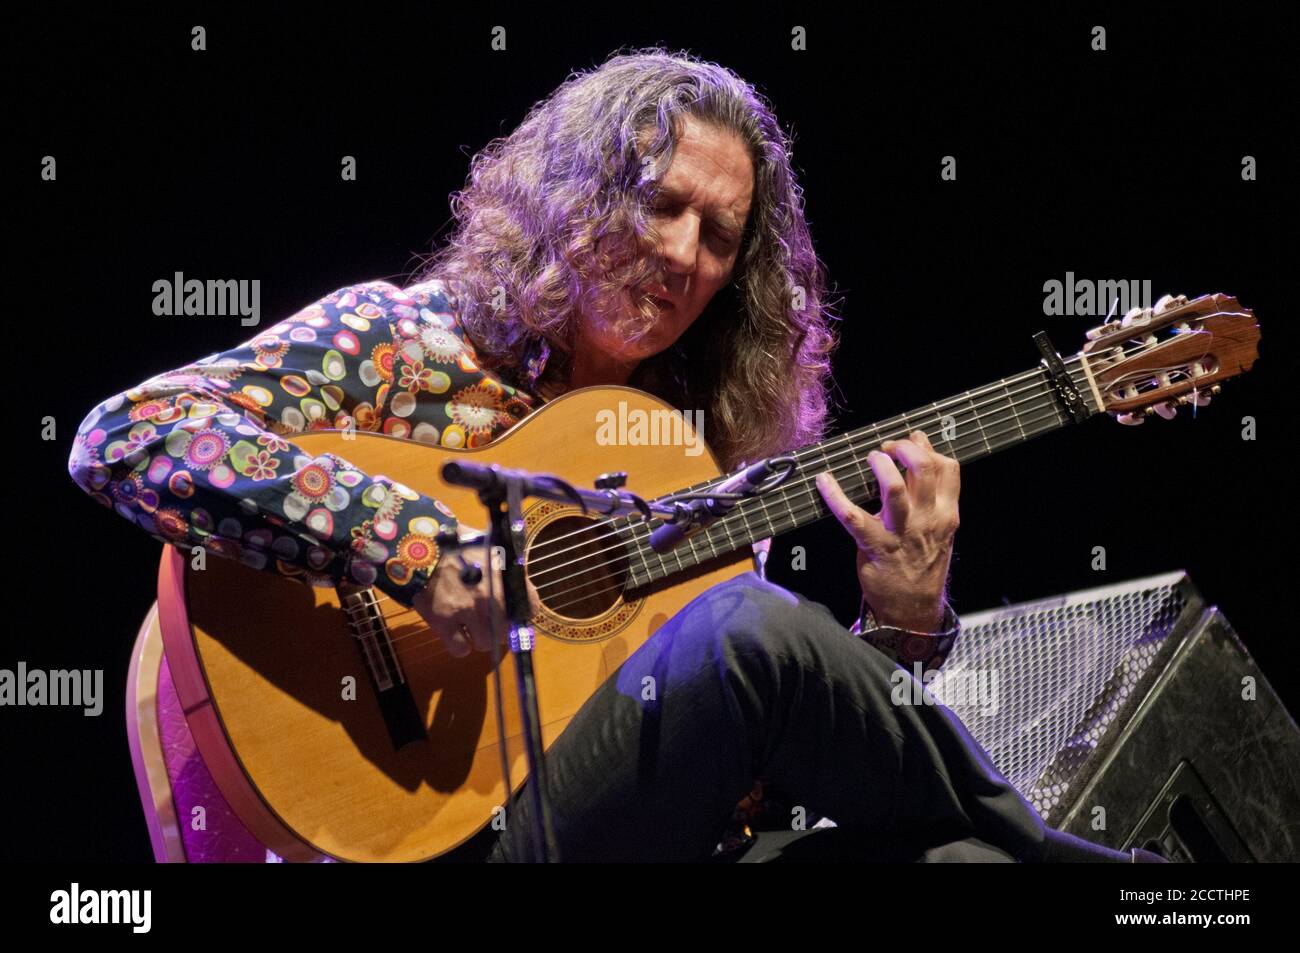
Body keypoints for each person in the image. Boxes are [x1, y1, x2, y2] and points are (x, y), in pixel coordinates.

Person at [68, 48, 1154, 862]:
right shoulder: (404, 343)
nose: (683, 253)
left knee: (952, 859)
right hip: (426, 842)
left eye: (720, 236)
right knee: (748, 632)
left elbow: (763, 784)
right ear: (577, 195)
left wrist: (902, 627)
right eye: (661, 204)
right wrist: (414, 549)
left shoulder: (692, 458)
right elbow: (126, 433)